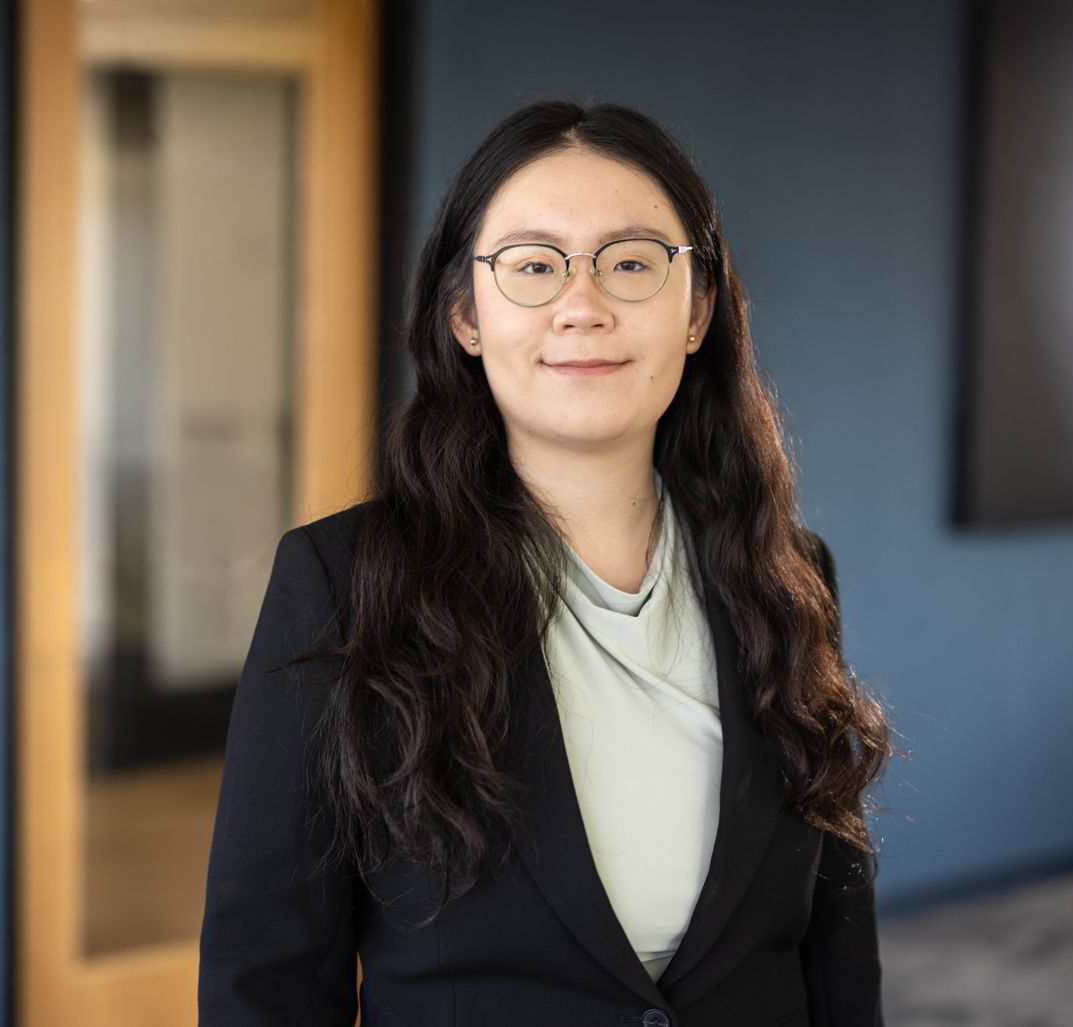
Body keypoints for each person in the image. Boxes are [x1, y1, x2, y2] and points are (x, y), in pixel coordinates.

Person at [197, 99, 892, 1027]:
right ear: (464, 315)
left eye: (632, 263)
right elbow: (265, 975)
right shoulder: (345, 583)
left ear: (697, 312)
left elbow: (834, 938)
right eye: (533, 265)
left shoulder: (787, 575)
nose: (582, 307)